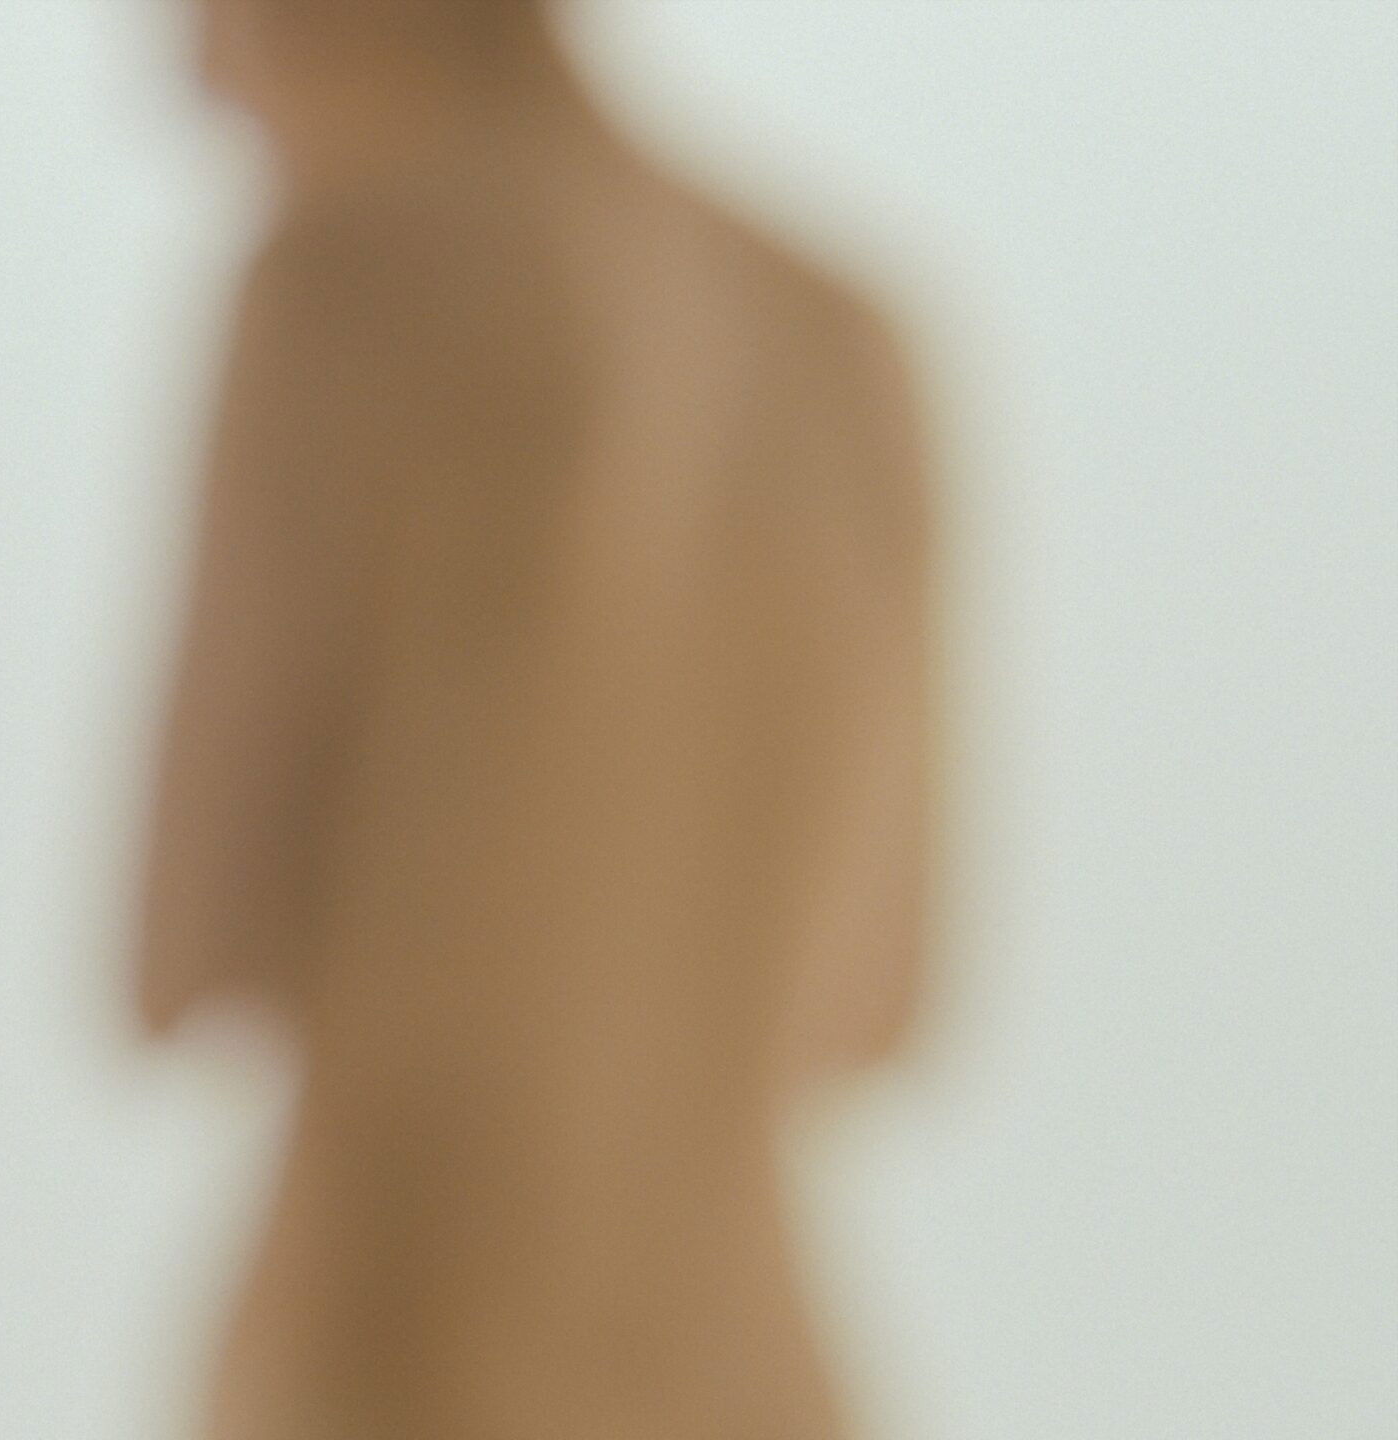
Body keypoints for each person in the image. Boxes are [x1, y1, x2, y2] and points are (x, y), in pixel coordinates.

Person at [127, 0, 943, 1435]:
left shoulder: (350, 281)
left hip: (402, 1340)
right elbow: (886, 999)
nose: (190, 75)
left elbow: (182, 943)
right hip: (754, 1368)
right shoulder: (842, 331)